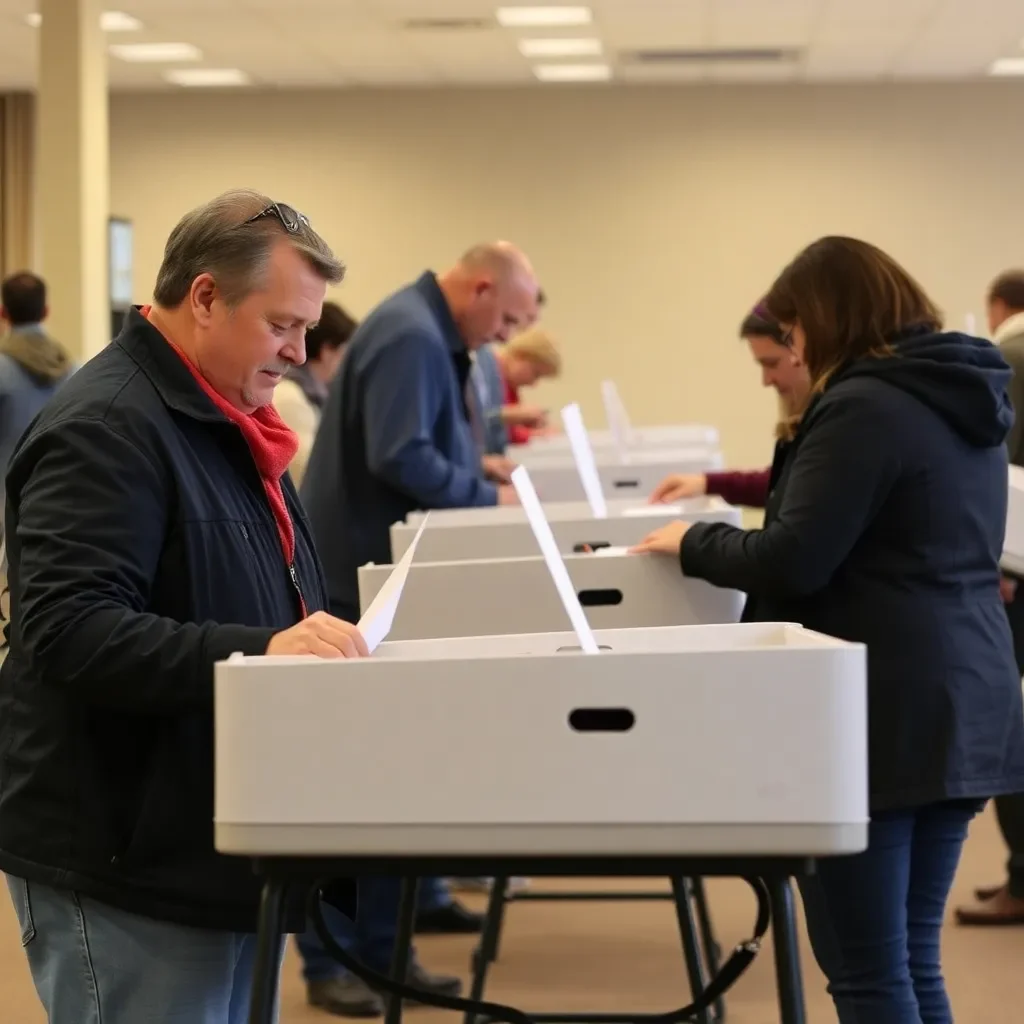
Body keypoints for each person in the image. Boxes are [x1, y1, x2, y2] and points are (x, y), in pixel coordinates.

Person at [631, 236, 1024, 1023]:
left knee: (867, 970)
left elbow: (794, 557)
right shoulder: (958, 394)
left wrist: (691, 541)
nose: (795, 348)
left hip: (879, 708)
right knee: (909, 958)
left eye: (795, 328)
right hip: (964, 694)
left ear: (824, 316)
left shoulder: (863, 403)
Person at [0, 188, 370, 1024]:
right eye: (282, 325)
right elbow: (68, 632)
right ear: (205, 297)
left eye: (307, 329)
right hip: (125, 850)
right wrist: (265, 650)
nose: (301, 352)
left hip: (208, 834)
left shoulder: (220, 414)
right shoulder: (106, 426)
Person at [297, 242, 541, 1018]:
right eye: (504, 318)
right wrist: (481, 493)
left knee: (391, 781)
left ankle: (383, 949)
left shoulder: (428, 331)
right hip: (352, 584)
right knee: (346, 788)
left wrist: (477, 471)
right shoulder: (409, 333)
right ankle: (334, 958)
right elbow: (400, 453)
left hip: (382, 576)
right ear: (476, 288)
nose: (503, 337)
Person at [956, 267, 1024, 926]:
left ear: (998, 306)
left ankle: (1023, 880)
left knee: (1014, 721)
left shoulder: (1007, 355)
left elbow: (997, 461)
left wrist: (996, 559)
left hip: (1018, 570)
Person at [649, 305, 809, 508]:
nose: (766, 380)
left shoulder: (834, 417)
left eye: (771, 363)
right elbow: (785, 483)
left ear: (801, 352)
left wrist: (693, 537)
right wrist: (707, 483)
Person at [0, 272, 75, 525]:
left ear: (3, 313)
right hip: (60, 508)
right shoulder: (75, 372)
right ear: (46, 311)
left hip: (5, 511)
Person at [274, 300, 357, 486]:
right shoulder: (290, 396)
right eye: (344, 353)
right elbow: (310, 470)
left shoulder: (317, 395)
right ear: (327, 351)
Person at [476, 325, 562, 452]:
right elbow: (473, 422)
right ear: (521, 355)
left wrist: (532, 430)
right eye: (536, 373)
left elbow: (509, 433)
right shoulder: (484, 372)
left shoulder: (509, 389)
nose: (533, 384)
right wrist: (508, 416)